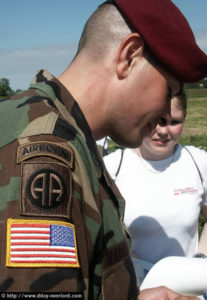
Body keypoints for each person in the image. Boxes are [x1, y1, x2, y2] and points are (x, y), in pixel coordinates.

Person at [0, 0, 206, 299]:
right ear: (129, 55)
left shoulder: (66, 135)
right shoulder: (45, 151)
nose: (165, 112)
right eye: (169, 90)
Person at [104, 91, 207, 288]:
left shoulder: (199, 162)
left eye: (173, 122)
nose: (163, 131)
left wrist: (201, 259)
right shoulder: (112, 167)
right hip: (131, 288)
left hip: (186, 289)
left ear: (185, 118)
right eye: (156, 120)